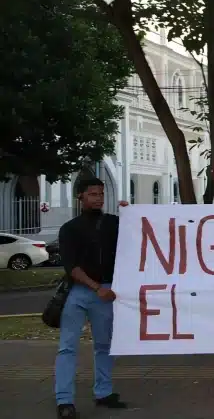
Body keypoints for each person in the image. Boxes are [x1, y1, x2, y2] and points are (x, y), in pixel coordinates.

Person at [55, 177, 129, 418]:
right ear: (81, 197)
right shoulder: (69, 229)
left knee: (105, 345)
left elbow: (139, 234)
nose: (98, 198)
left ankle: (104, 393)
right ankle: (64, 401)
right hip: (80, 292)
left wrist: (133, 213)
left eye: (101, 194)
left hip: (106, 292)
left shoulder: (114, 224)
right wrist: (97, 288)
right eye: (92, 194)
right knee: (67, 347)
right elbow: (72, 268)